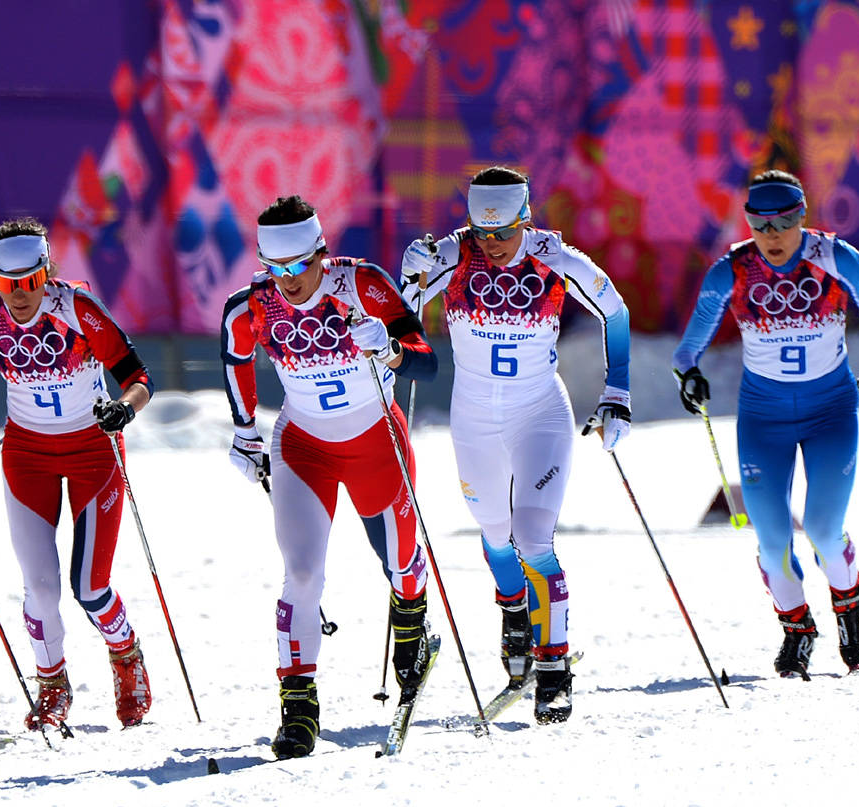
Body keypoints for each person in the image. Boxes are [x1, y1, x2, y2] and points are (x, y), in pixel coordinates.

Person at [398, 165, 632, 723]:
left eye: (505, 233)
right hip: (473, 420)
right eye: (483, 232)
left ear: (527, 218)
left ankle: (554, 668)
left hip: (539, 415)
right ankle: (514, 616)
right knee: (495, 535)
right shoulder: (453, 256)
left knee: (532, 539)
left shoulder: (556, 258)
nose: (494, 245)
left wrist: (617, 394)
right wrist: (408, 277)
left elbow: (615, 310)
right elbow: (397, 320)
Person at [222, 195, 438, 759]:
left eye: (299, 267)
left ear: (321, 252)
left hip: (376, 442)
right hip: (304, 446)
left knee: (400, 564)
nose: (289, 282)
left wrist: (390, 350)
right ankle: (298, 707)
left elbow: (426, 359)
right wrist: (244, 428)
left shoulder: (362, 285)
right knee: (301, 573)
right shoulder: (254, 305)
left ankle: (411, 621)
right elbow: (234, 354)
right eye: (276, 269)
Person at [672, 169, 859, 678]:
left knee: (824, 529)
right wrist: (688, 375)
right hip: (763, 418)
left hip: (830, 412)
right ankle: (797, 628)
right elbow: (687, 348)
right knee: (772, 538)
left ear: (802, 217)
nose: (772, 236)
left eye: (783, 223)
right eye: (760, 225)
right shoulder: (731, 271)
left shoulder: (836, 259)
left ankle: (849, 605)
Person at [0, 217, 155, 730]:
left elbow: (137, 378)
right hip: (28, 457)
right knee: (39, 588)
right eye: (6, 284)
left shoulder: (78, 309)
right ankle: (52, 686)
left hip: (94, 452)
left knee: (91, 586)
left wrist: (124, 409)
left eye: (30, 282)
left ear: (46, 272)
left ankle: (125, 653)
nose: (19, 295)